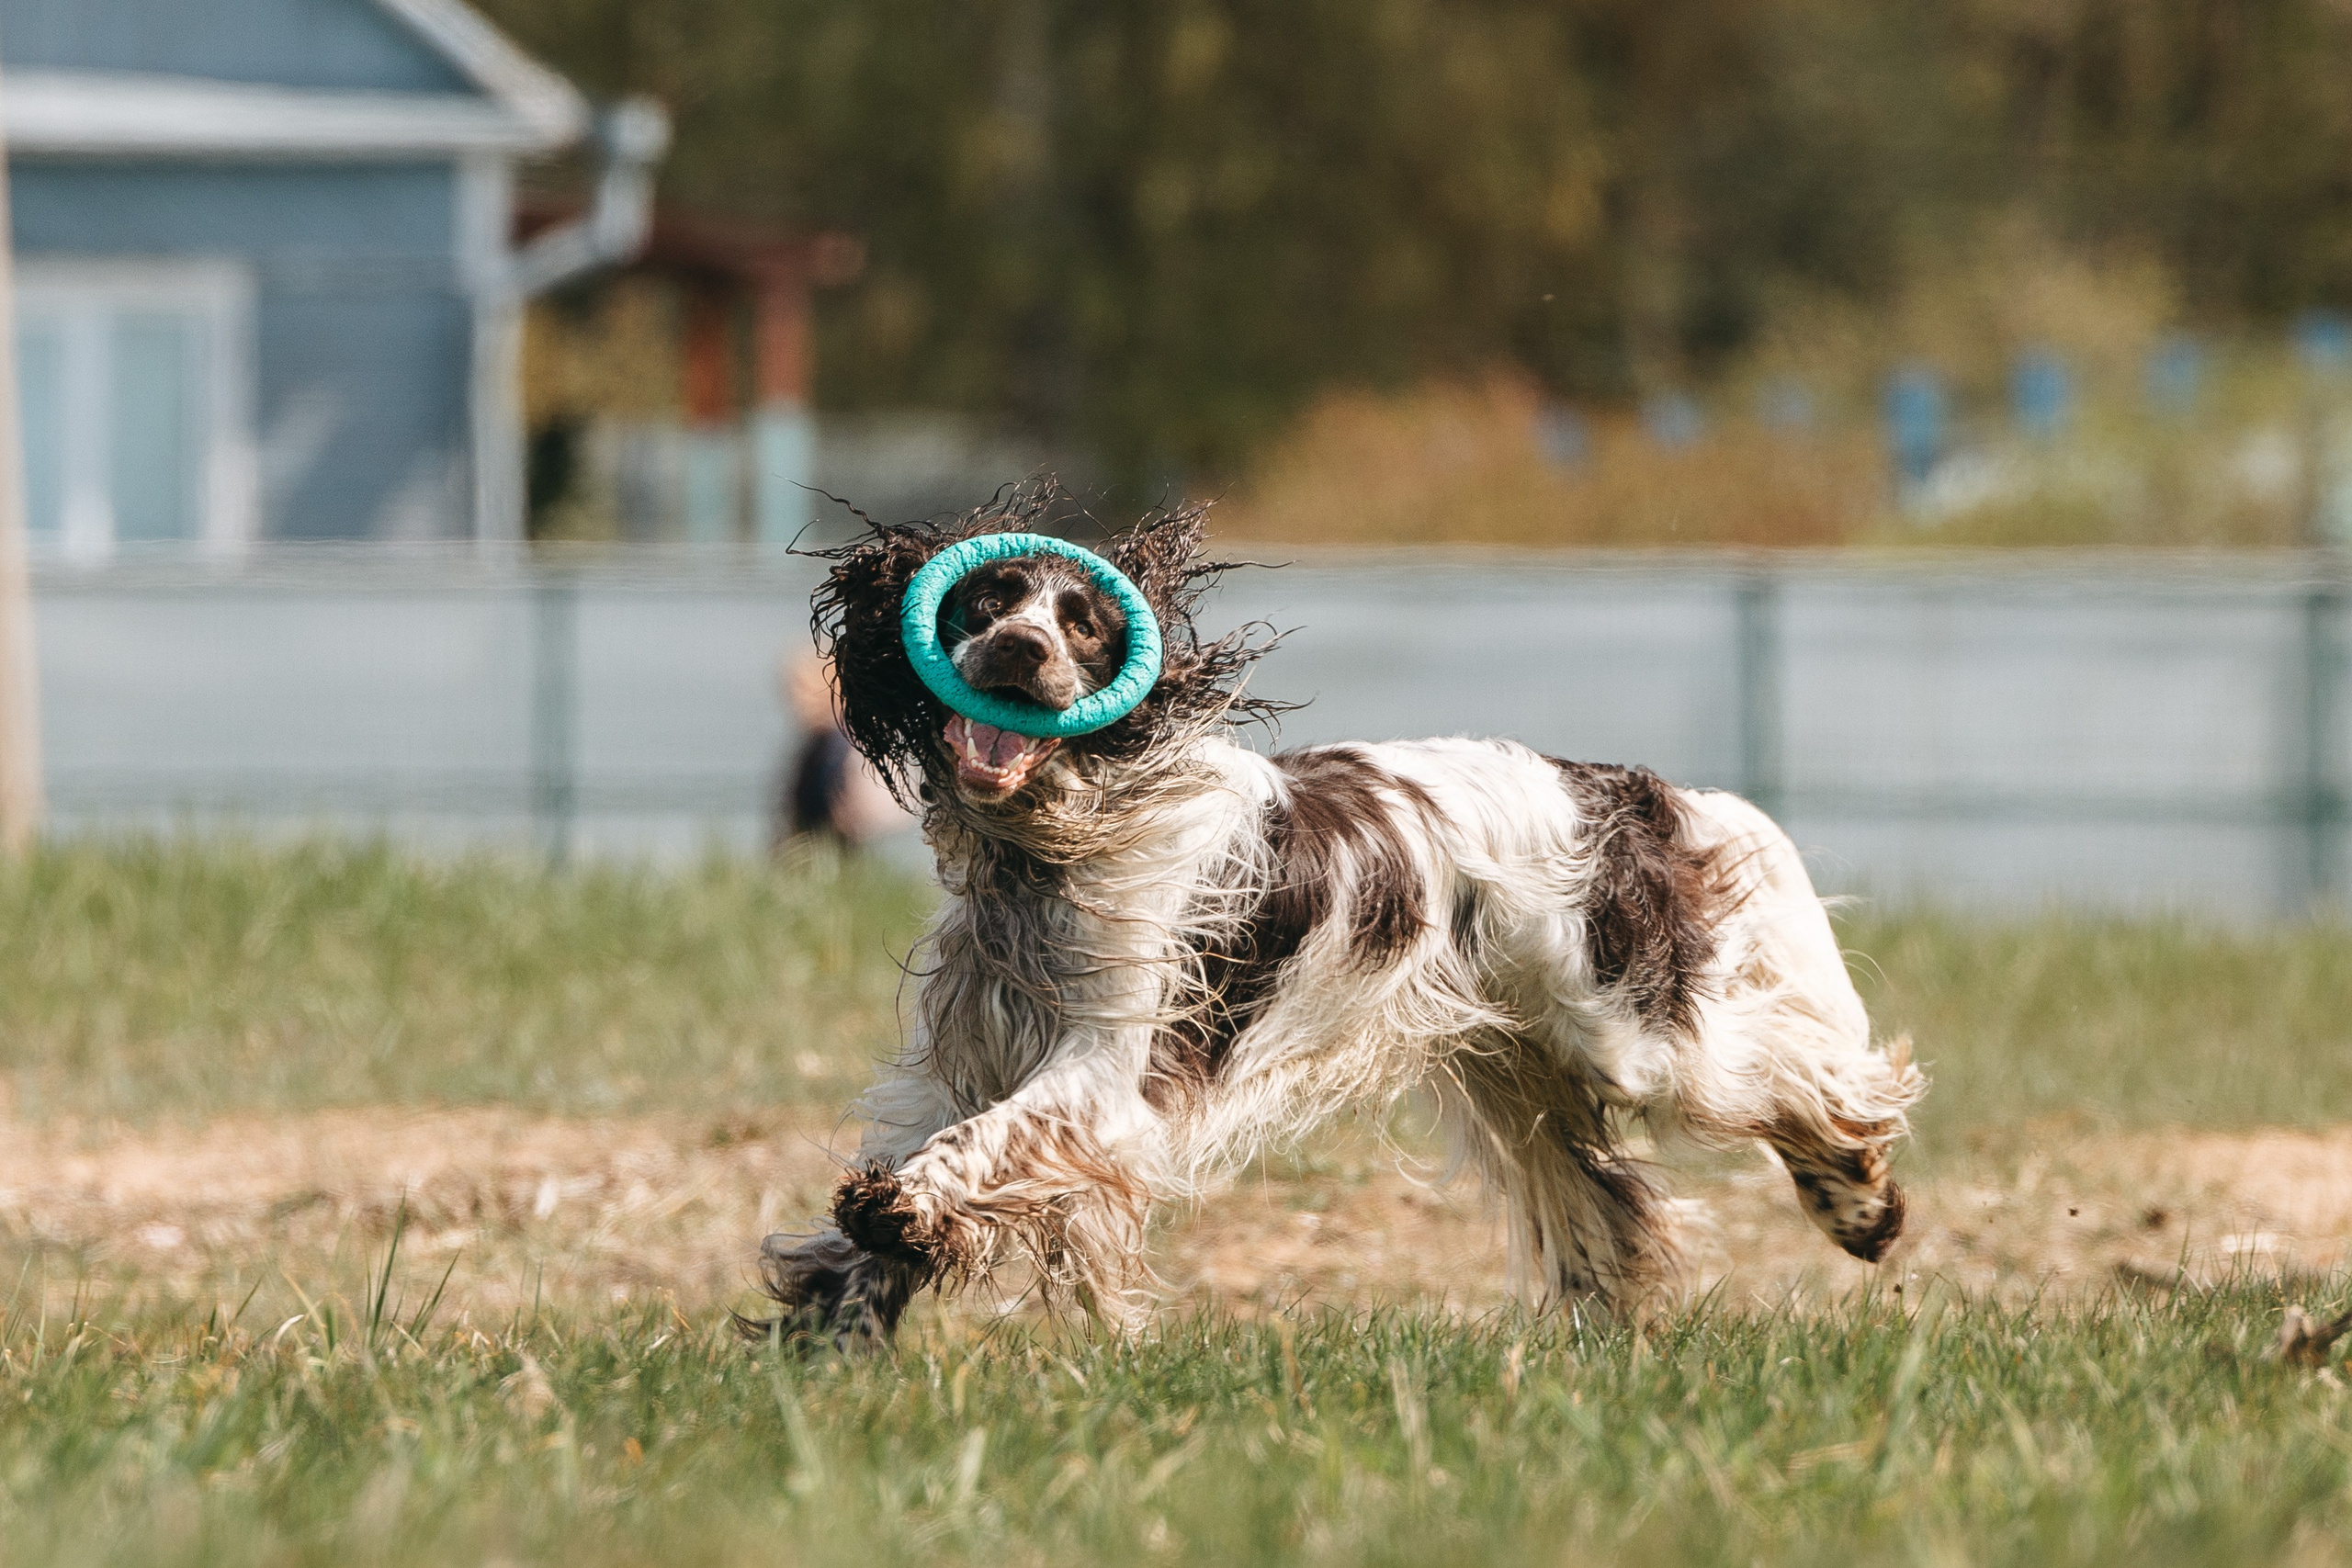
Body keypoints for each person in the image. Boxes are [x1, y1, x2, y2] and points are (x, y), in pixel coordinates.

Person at [773, 652, 908, 851]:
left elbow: (871, 808)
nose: (796, 702)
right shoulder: (819, 742)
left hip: (845, 844)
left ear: (829, 690)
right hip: (821, 845)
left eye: (804, 690)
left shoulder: (851, 744)